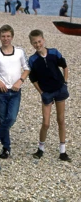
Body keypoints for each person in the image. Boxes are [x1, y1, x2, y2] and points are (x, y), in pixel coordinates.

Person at [28, 30, 71, 162]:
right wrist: (41, 92)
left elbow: (64, 66)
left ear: (43, 40)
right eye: (34, 42)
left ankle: (62, 151)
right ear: (31, 43)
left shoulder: (54, 52)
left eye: (39, 41)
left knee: (61, 119)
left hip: (59, 89)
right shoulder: (32, 59)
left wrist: (65, 82)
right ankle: (41, 148)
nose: (37, 44)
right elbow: (33, 78)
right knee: (46, 123)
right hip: (46, 92)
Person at [0, 25, 30, 159]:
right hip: (2, 91)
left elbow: (27, 68)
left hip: (16, 91)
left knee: (11, 118)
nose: (5, 39)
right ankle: (6, 148)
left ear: (12, 37)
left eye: (8, 36)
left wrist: (20, 81)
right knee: (2, 119)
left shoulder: (19, 51)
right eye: (3, 36)